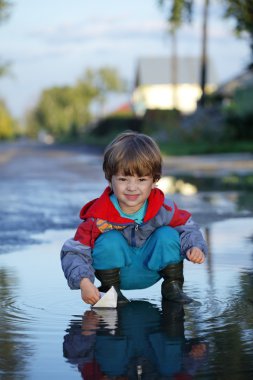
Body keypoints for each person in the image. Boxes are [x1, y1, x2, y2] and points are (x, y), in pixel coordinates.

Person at [61, 131, 207, 306]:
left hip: (152, 269)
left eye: (141, 180)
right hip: (118, 274)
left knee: (167, 234)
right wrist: (83, 281)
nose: (132, 187)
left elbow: (189, 227)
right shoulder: (98, 217)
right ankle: (112, 294)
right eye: (123, 179)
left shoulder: (163, 209)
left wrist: (195, 246)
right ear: (110, 179)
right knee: (109, 240)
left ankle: (173, 287)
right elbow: (74, 252)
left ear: (154, 181)